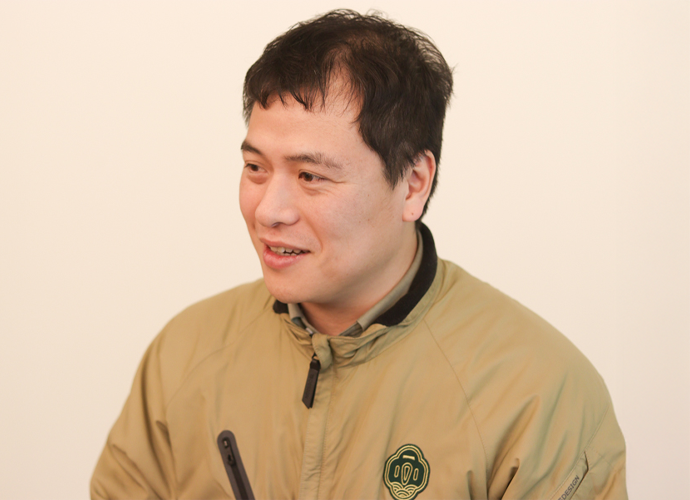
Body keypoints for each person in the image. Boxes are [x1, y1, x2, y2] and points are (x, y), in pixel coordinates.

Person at [91, 9, 627, 500]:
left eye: (310, 176)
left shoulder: (538, 393)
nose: (268, 210)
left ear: (413, 183)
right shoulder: (184, 355)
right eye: (256, 167)